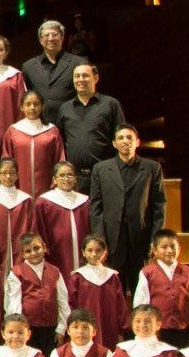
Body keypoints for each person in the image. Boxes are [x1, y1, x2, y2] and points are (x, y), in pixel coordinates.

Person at [89, 123, 166, 273]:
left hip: (141, 237)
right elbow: (95, 208)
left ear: (137, 142)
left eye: (129, 137)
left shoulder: (152, 167)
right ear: (114, 143)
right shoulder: (101, 169)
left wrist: (155, 239)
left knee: (141, 289)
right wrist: (99, 239)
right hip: (112, 240)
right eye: (121, 138)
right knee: (114, 288)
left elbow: (159, 206)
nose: (125, 141)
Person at [55, 64, 125, 193]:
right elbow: (60, 143)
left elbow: (121, 139)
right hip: (74, 179)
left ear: (96, 78)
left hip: (104, 176)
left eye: (85, 75)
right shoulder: (65, 109)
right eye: (77, 76)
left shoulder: (110, 105)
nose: (81, 79)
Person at [133, 229, 189, 348]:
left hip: (182, 330)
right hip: (157, 332)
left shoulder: (188, 273)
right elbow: (141, 303)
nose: (169, 251)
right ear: (155, 250)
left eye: (173, 246)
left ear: (179, 249)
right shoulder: (147, 273)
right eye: (164, 247)